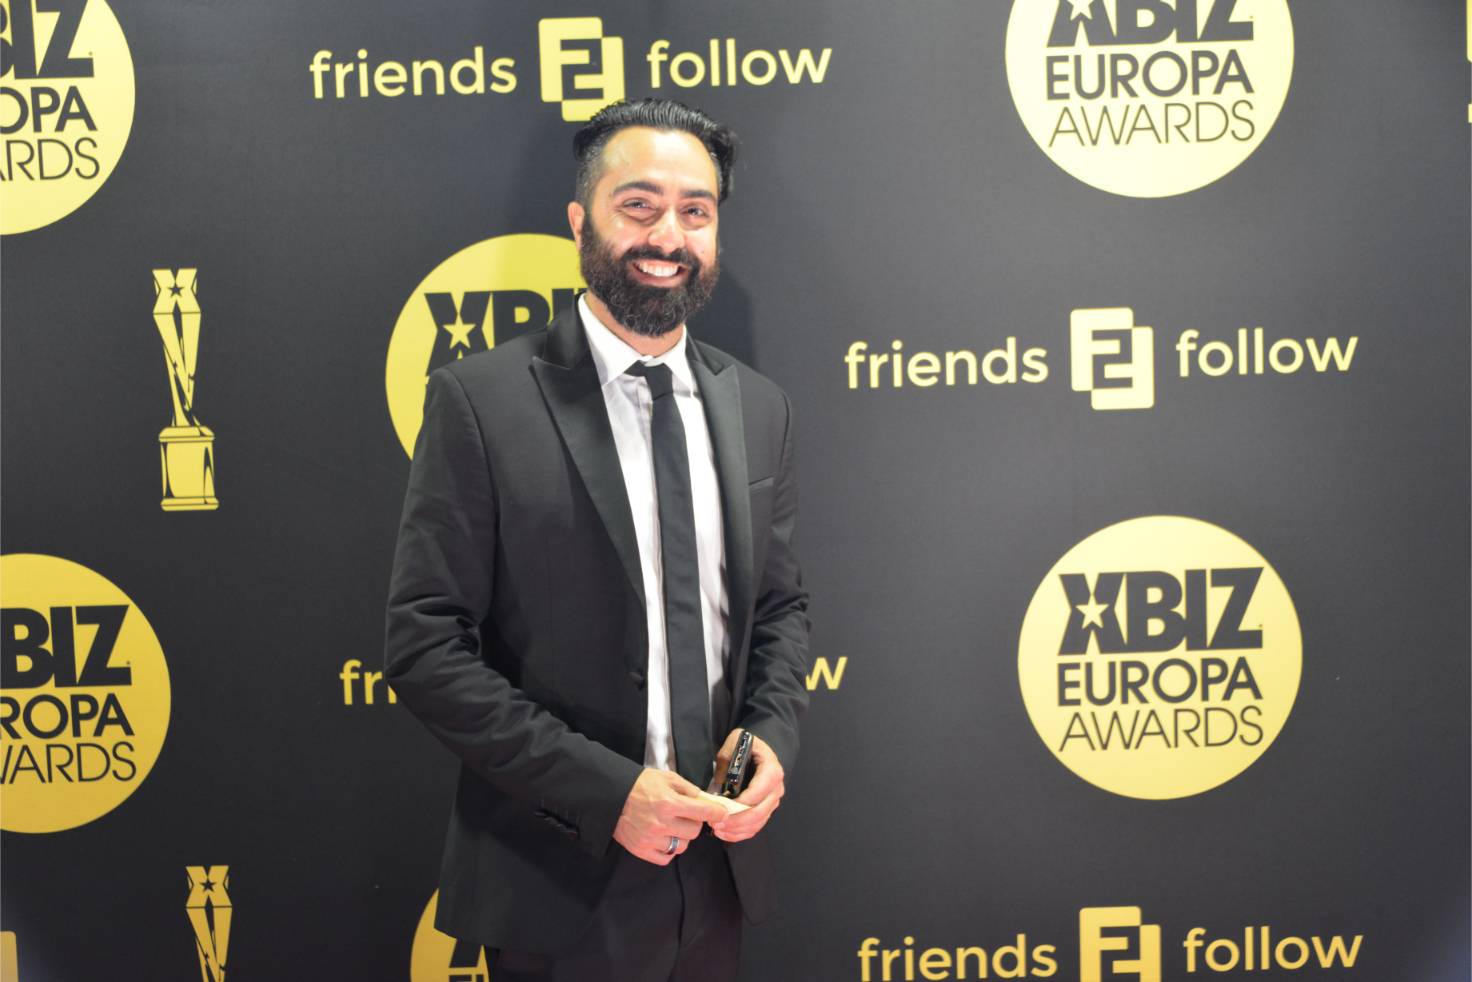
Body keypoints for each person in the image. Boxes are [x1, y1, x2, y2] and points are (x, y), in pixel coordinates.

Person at [384, 98, 811, 981]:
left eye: (695, 211)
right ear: (580, 221)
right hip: (558, 878)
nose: (669, 236)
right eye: (639, 205)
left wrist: (769, 736)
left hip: (718, 873)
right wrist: (609, 794)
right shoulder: (479, 402)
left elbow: (778, 609)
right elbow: (425, 648)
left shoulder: (758, 407)